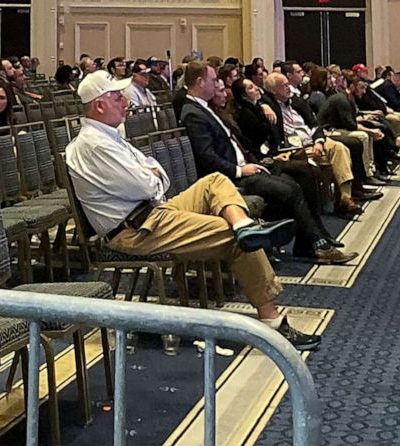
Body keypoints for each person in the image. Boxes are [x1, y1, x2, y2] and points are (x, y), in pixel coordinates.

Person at [65, 73, 320, 350]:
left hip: (152, 212)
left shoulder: (108, 136)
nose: (125, 101)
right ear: (99, 105)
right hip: (136, 230)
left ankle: (243, 224)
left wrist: (151, 176)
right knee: (233, 239)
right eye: (116, 97)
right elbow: (147, 183)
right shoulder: (93, 144)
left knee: (215, 182)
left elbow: (156, 175)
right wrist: (151, 176)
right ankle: (272, 319)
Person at [180, 61, 354, 263]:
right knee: (290, 189)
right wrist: (240, 170)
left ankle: (310, 242)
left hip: (247, 164)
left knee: (304, 173)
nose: (217, 84)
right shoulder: (193, 112)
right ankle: (317, 244)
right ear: (200, 82)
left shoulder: (206, 108)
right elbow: (206, 157)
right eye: (213, 80)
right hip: (228, 178)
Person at [262, 73, 378, 215]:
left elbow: (315, 124)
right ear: (273, 90)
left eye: (288, 84)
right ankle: (342, 200)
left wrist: (318, 141)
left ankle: (345, 198)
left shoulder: (296, 102)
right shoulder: (269, 105)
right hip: (294, 148)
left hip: (312, 140)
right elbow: (257, 96)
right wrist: (263, 105)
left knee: (340, 148)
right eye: (284, 86)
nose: (289, 88)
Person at [319, 73, 396, 179]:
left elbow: (353, 118)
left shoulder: (347, 98)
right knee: (363, 136)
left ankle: (375, 168)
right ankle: (366, 174)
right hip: (329, 130)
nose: (364, 91)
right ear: (351, 87)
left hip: (339, 127)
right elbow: (351, 125)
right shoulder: (341, 99)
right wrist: (370, 131)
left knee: (375, 127)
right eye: (361, 88)